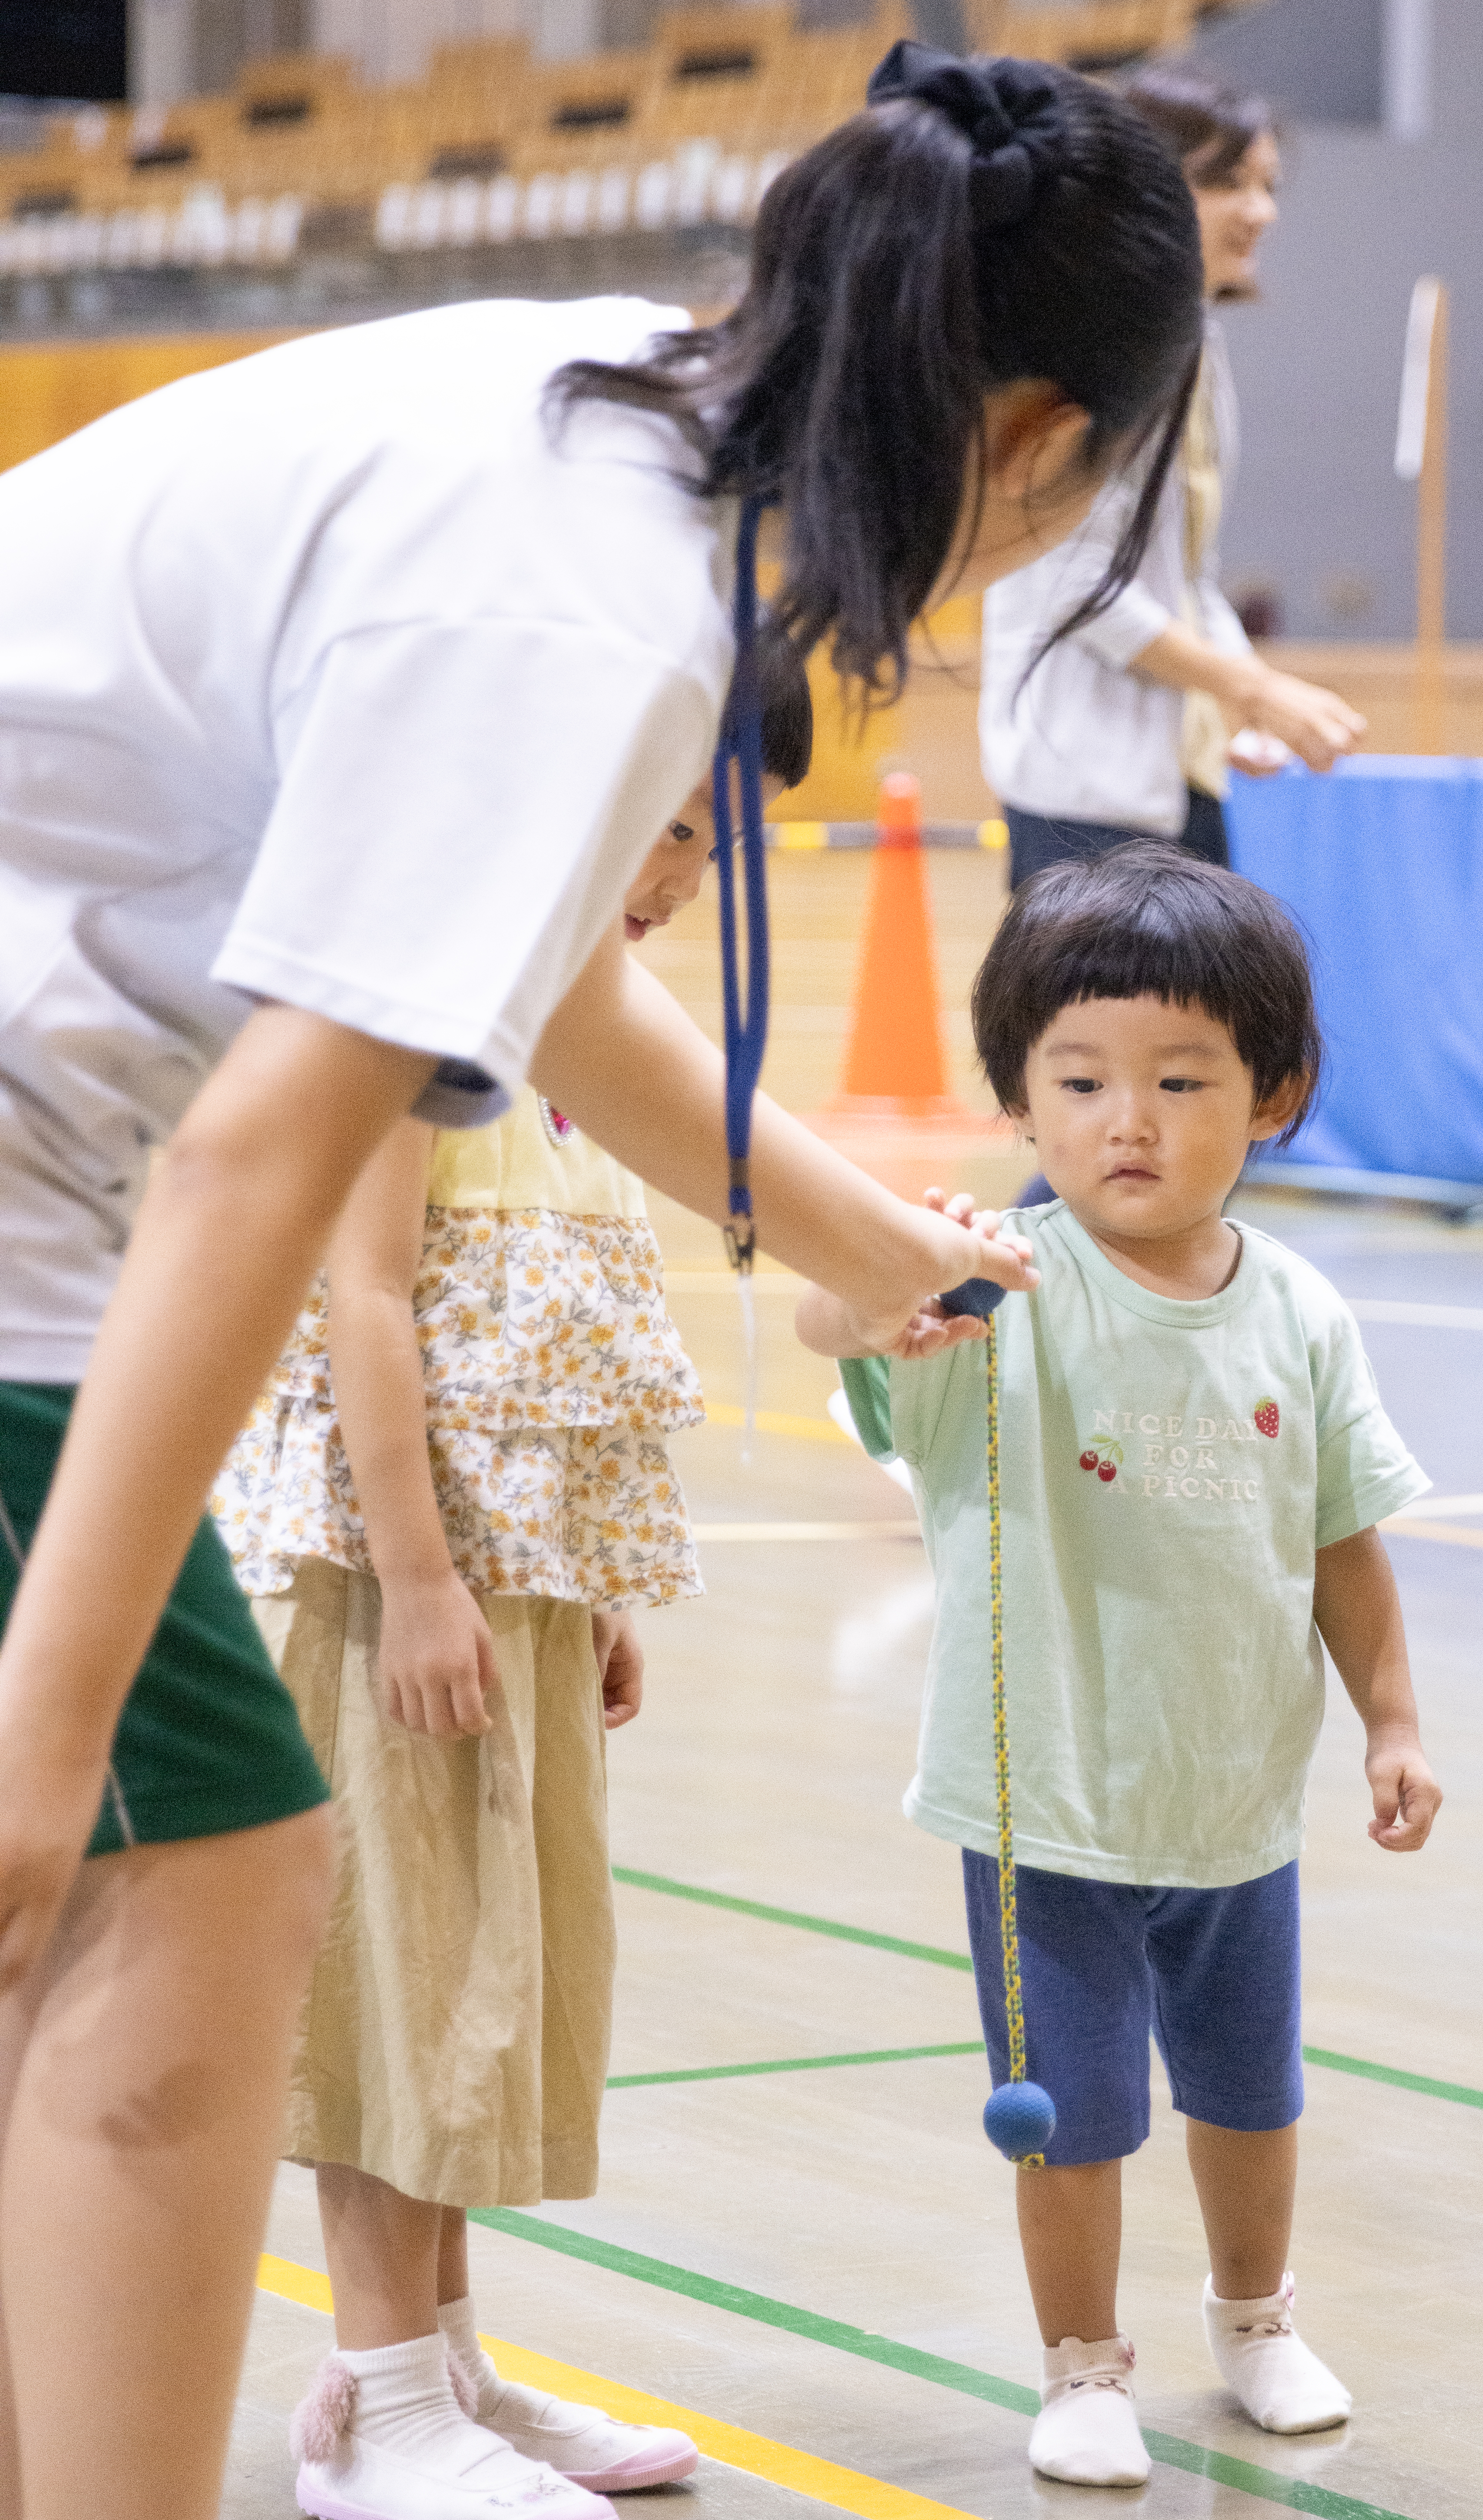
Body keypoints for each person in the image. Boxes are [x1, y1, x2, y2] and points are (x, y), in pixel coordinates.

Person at [0, 43, 1202, 2515]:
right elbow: (255, 1168)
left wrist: (855, 1239)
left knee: (192, 1874)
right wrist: (49, 1728)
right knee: (190, 1858)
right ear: (1047, 439)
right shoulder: (600, 592)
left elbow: (521, 961)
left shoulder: (597, 418)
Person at [210, 663, 810, 2520]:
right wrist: (420, 1573)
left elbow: (544, 1356)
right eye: (668, 827)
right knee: (400, 1963)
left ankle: (440, 2371)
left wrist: (584, 1582)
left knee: (483, 1960)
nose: (682, 875)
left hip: (510, 1585)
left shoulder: (575, 1054)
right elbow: (365, 1299)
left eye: (717, 844)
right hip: (390, 1584)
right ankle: (382, 2398)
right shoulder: (430, 1015)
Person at [800, 846, 1442, 2488]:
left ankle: (1256, 2316)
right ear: (1021, 1095)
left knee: (1252, 2090)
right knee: (1072, 2114)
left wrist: (1392, 1722)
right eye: (1079, 1080)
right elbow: (839, 1323)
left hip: (1236, 1794)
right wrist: (883, 1296)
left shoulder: (1299, 1308)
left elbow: (1343, 1537)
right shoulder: (993, 1284)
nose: (1127, 1120)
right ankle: (1083, 2366)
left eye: (1180, 1079)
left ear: (1275, 1094)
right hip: (1047, 1811)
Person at [980, 63, 1366, 895]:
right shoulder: (1083, 347)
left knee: (1204, 1021)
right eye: (1228, 183)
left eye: (1267, 185)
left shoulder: (1194, 345)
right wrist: (1253, 685)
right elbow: (1073, 580)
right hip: (1078, 786)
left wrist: (1240, 699)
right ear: (1145, 189)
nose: (1260, 211)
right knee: (1091, 1027)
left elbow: (1185, 577)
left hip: (1177, 784)